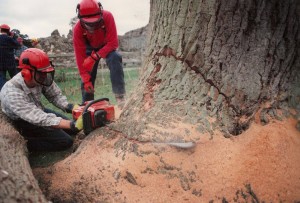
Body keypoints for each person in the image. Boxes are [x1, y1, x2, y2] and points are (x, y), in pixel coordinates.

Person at [0, 48, 82, 152]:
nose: (44, 76)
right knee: (65, 142)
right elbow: (39, 118)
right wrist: (71, 124)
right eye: (41, 73)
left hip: (38, 109)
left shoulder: (40, 75)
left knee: (72, 130)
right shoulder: (12, 92)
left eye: (46, 72)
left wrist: (71, 107)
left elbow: (55, 95)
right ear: (26, 73)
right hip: (22, 120)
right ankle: (25, 142)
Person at [73, 0, 126, 108]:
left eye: (94, 23)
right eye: (89, 24)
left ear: (100, 13)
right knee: (87, 74)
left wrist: (95, 56)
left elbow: (113, 43)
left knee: (115, 57)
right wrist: (87, 80)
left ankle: (120, 97)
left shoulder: (108, 16)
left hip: (107, 44)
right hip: (89, 47)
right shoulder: (77, 29)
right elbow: (80, 58)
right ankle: (87, 105)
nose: (92, 27)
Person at [0, 24, 20, 90]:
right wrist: (13, 37)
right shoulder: (9, 39)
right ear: (8, 31)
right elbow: (17, 46)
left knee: (1, 79)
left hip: (0, 63)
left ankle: (3, 94)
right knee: (15, 77)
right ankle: (18, 90)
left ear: (0, 30)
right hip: (10, 62)